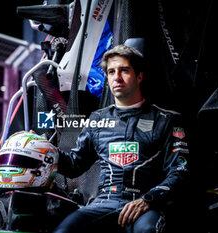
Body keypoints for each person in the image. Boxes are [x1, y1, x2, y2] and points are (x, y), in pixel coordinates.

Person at [52, 45, 190, 233]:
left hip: (146, 205)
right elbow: (75, 165)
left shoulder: (167, 120)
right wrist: (44, 151)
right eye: (111, 72)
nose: (117, 77)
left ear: (139, 76)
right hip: (103, 203)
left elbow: (180, 171)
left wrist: (148, 199)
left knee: (147, 231)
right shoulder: (97, 120)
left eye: (124, 70)